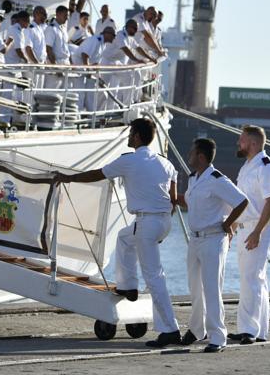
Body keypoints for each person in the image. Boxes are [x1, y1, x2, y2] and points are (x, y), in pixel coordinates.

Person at [55, 118, 181, 348]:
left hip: (147, 222)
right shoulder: (165, 163)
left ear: (138, 137)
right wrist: (162, 220)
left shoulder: (130, 162)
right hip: (162, 221)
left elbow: (97, 174)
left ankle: (170, 330)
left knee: (154, 277)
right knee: (124, 238)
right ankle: (128, 285)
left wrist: (68, 178)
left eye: (131, 133)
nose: (128, 137)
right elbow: (173, 197)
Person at [176, 138, 248, 353]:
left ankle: (218, 336)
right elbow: (189, 202)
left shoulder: (217, 179)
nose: (189, 154)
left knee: (211, 288)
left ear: (201, 156)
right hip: (195, 239)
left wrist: (227, 223)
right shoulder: (193, 179)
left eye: (192, 151)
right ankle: (197, 330)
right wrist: (170, 198)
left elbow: (242, 201)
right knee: (195, 288)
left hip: (213, 239)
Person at [228, 125, 270, 345]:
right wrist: (233, 225)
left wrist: (258, 231)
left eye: (241, 140)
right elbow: (243, 202)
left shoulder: (267, 167)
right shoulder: (246, 167)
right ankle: (257, 330)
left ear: (252, 143)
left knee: (251, 279)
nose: (238, 144)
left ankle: (249, 330)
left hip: (260, 228)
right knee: (255, 280)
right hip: (246, 228)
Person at [75, 26, 115, 114]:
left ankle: (91, 115)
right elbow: (84, 55)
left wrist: (97, 75)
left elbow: (95, 62)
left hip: (88, 70)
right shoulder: (95, 40)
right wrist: (88, 70)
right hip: (80, 69)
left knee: (91, 94)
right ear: (107, 34)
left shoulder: (103, 43)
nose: (114, 38)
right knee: (80, 94)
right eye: (113, 35)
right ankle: (77, 115)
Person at [45, 5, 70, 88]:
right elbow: (48, 49)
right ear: (58, 14)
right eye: (65, 15)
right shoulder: (51, 29)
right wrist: (56, 68)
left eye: (67, 15)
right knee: (52, 93)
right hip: (56, 64)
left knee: (64, 94)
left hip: (65, 64)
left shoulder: (63, 29)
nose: (67, 18)